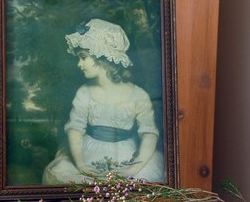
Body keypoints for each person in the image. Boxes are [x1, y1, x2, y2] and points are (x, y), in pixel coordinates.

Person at [42, 19, 164, 184]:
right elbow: (75, 129)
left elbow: (149, 133)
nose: (79, 64)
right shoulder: (84, 92)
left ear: (102, 57)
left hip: (128, 154)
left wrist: (134, 168)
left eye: (83, 57)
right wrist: (80, 164)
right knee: (63, 174)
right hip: (88, 151)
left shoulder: (138, 94)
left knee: (145, 176)